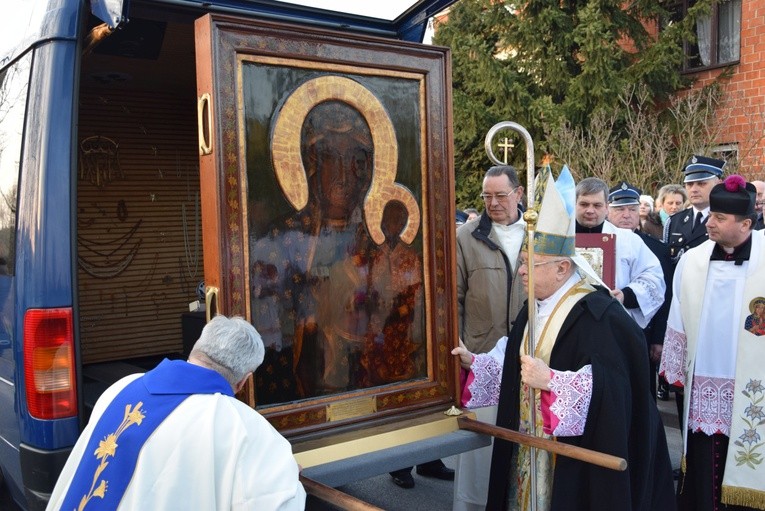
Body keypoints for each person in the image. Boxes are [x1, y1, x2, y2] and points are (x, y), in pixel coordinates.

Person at [452, 167, 675, 511]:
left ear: (562, 268)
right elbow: (518, 358)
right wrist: (478, 364)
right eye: (522, 262)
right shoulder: (534, 306)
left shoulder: (599, 316)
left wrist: (554, 381)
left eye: (530, 264)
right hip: (528, 447)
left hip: (571, 464)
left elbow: (617, 391)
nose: (521, 271)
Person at [47, 315, 306, 510]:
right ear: (244, 381)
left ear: (196, 349)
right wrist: (285, 473)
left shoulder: (120, 388)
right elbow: (277, 501)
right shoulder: (241, 426)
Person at [659, 175, 765, 510]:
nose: (709, 222)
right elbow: (678, 311)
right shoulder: (693, 259)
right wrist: (673, 369)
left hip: (754, 383)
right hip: (704, 380)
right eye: (711, 215)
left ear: (745, 223)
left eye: (720, 218)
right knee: (704, 469)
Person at [451, 165, 526, 509]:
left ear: (519, 194)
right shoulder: (467, 236)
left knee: (521, 447)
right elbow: (455, 296)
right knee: (480, 454)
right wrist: (459, 344)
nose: (493, 203)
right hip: (481, 354)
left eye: (501, 195)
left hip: (527, 354)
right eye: (487, 196)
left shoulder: (537, 233)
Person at [607, 182, 673, 401]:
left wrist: (659, 338)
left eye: (632, 209)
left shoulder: (658, 248)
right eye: (619, 209)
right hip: (608, 328)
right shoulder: (597, 241)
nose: (626, 215)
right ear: (608, 210)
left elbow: (666, 295)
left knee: (642, 392)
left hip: (644, 330)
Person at [575, 177, 665, 329]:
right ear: (575, 204)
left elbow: (653, 278)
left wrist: (626, 295)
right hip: (568, 322)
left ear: (606, 207)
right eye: (584, 204)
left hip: (612, 324)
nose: (590, 210)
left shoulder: (628, 240)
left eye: (597, 205)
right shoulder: (561, 237)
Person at [663, 155, 724, 263]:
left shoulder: (727, 220)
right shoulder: (674, 221)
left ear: (718, 184)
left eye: (701, 184)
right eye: (689, 184)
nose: (694, 189)